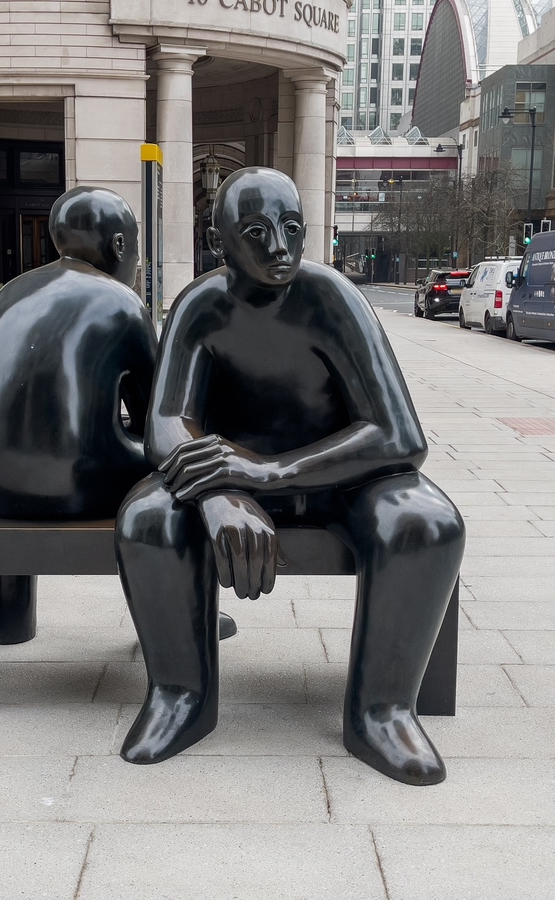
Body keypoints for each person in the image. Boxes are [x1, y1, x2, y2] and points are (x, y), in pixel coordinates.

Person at [114, 167, 465, 786]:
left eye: (292, 228)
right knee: (147, 516)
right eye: (256, 232)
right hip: (236, 479)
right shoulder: (202, 305)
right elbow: (166, 421)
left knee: (426, 522)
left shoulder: (330, 298)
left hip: (346, 478)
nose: (279, 247)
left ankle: (382, 710)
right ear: (221, 239)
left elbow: (400, 436)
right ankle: (180, 694)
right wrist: (222, 491)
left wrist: (270, 473)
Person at [0, 186, 237, 645]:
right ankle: (184, 616)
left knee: (51, 448)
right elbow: (157, 419)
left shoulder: (10, 291)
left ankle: (8, 621)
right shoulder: (122, 302)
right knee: (187, 466)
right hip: (68, 480)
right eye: (136, 244)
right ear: (119, 245)